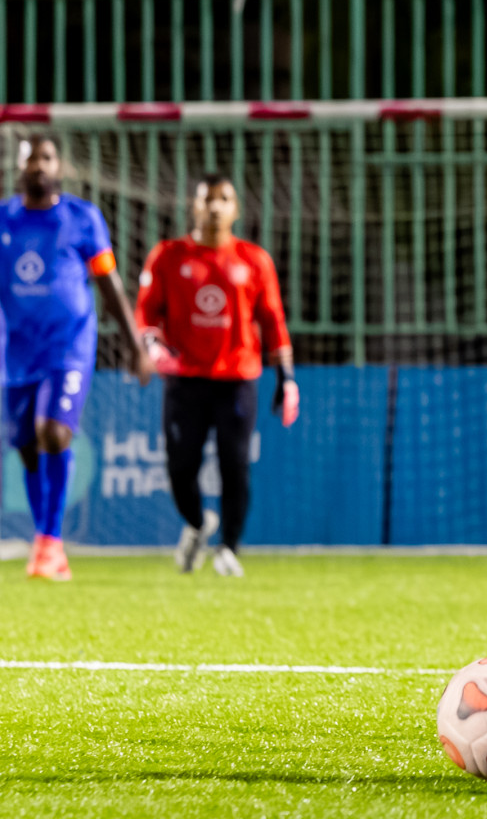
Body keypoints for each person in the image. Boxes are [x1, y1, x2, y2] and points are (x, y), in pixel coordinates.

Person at [0, 136, 152, 580]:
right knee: (27, 448)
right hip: (16, 350)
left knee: (53, 433)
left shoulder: (82, 218)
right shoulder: (4, 219)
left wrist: (135, 344)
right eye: (30, 159)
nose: (38, 166)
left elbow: (108, 283)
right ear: (18, 167)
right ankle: (47, 544)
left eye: (46, 158)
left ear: (60, 166)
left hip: (68, 345)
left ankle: (50, 541)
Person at [135, 173, 298, 577]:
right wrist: (152, 346)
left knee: (235, 464)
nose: (214, 207)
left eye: (223, 199)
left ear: (236, 209)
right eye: (207, 199)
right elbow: (145, 313)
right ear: (194, 206)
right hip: (184, 379)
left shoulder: (254, 260)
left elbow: (273, 320)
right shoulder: (168, 256)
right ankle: (196, 524)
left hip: (237, 379)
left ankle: (229, 548)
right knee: (180, 468)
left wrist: (287, 377)